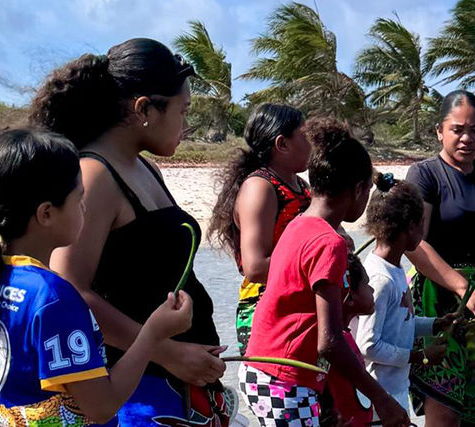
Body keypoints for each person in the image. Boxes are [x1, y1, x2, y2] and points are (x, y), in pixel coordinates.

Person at [32, 38, 232, 425]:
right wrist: (166, 352)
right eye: (182, 110)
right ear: (145, 109)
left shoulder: (144, 168)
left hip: (176, 385)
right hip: (135, 392)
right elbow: (69, 293)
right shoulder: (94, 176)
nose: (185, 125)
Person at [0, 129, 192, 425]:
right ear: (46, 214)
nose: (84, 206)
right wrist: (152, 335)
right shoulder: (52, 296)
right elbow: (102, 406)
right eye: (79, 198)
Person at [241, 120, 409, 427]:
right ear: (358, 189)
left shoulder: (300, 224)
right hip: (284, 379)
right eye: (367, 191)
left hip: (265, 370)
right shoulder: (329, 243)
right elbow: (329, 341)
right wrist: (382, 399)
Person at [403, 90, 475, 426]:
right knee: (443, 411)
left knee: (472, 413)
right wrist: (463, 289)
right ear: (439, 131)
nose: (467, 138)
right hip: (438, 303)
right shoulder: (424, 175)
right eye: (457, 129)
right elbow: (414, 245)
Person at [208, 103, 311, 353]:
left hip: (298, 306)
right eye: (304, 136)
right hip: (266, 309)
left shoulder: (301, 185)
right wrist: (316, 264)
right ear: (282, 144)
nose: (312, 144)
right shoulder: (261, 187)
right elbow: (254, 267)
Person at [353, 173, 452, 416]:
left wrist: (435, 325)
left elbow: (398, 323)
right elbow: (368, 345)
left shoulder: (395, 269)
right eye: (422, 223)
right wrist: (420, 357)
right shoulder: (379, 279)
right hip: (378, 399)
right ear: (411, 226)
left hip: (396, 389)